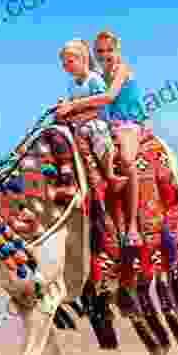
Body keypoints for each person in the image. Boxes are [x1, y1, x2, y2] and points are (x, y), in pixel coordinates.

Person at [55, 31, 148, 246]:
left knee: (126, 160)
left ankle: (133, 226)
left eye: (109, 50)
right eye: (99, 51)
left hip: (127, 122)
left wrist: (74, 106)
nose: (104, 55)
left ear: (117, 50)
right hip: (106, 122)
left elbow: (109, 97)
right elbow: (89, 98)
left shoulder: (122, 69)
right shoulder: (96, 75)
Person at [58, 38, 127, 192]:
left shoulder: (94, 80)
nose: (66, 67)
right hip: (80, 119)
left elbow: (100, 104)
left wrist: (78, 114)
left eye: (70, 62)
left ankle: (110, 175)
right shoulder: (72, 83)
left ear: (83, 59)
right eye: (64, 64)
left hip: (97, 118)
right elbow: (74, 103)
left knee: (97, 133)